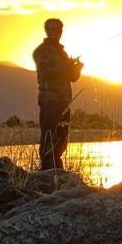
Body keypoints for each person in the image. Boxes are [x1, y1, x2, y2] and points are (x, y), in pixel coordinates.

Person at [32, 18, 82, 170]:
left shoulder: (63, 53)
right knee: (49, 136)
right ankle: (46, 171)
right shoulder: (41, 51)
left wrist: (77, 68)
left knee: (61, 138)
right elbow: (45, 72)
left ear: (61, 32)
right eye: (52, 29)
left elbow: (72, 78)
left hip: (64, 101)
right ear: (46, 30)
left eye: (58, 29)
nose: (56, 32)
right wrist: (65, 65)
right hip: (50, 100)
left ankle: (57, 171)